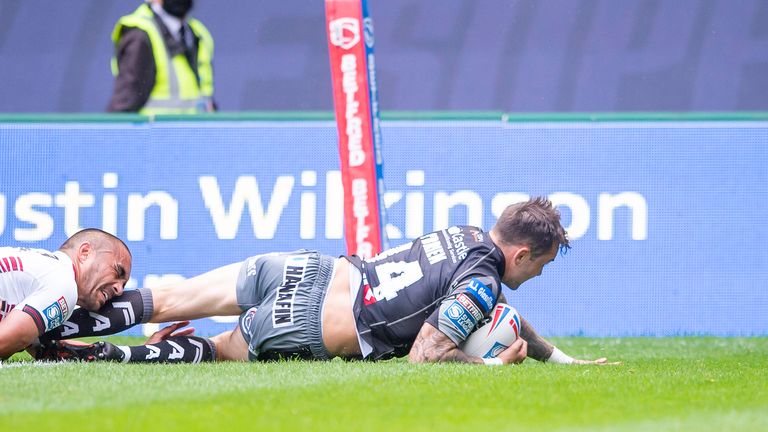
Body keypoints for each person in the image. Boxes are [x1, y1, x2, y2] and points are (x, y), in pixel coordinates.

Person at [42, 197, 615, 366]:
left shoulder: (467, 235)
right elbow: (425, 354)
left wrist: (558, 358)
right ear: (521, 253)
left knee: (167, 298)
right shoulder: (483, 284)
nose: (537, 274)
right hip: (311, 322)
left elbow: (493, 306)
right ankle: (84, 355)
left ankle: (47, 315)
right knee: (213, 350)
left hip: (307, 268)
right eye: (540, 264)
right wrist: (489, 366)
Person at [0, 229, 132, 360]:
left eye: (123, 284)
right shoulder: (64, 283)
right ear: (85, 252)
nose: (119, 290)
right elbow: (5, 341)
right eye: (118, 271)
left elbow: (28, 341)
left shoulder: (44, 265)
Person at [107, 0, 216, 114]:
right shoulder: (140, 36)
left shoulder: (196, 33)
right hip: (156, 125)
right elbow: (124, 104)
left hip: (193, 125)